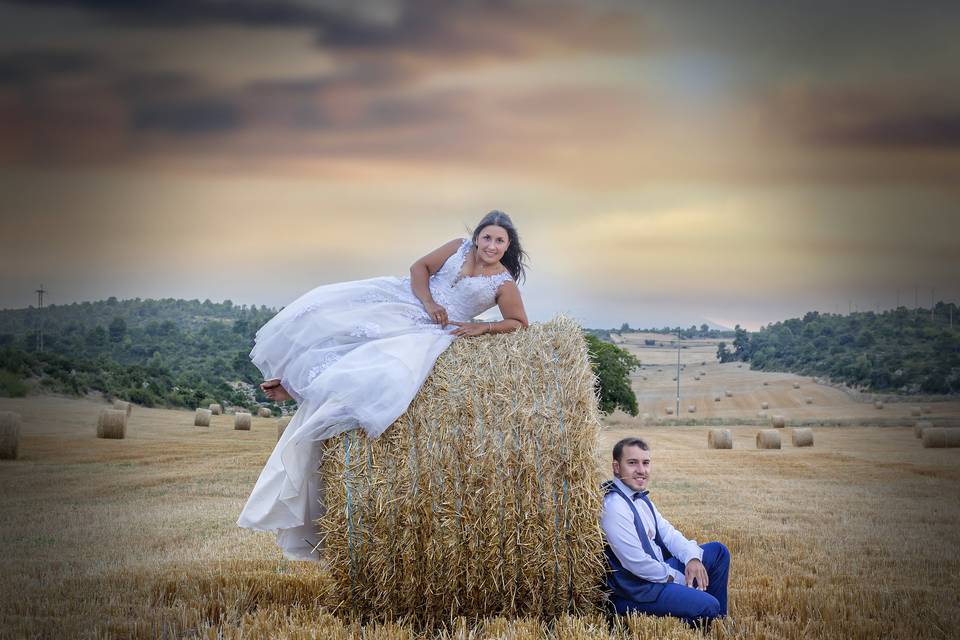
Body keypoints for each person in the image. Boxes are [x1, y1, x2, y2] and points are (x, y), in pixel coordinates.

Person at [237, 211, 529, 560]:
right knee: (334, 317)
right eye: (487, 238)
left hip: (436, 331)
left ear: (508, 246)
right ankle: (294, 383)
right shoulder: (456, 247)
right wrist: (428, 301)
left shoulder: (503, 283)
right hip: (410, 302)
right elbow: (419, 268)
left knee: (378, 366)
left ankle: (298, 389)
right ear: (477, 237)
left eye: (500, 241)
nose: (491, 245)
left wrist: (483, 328)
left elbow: (518, 322)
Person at [601, 437, 730, 628]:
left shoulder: (642, 500)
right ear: (616, 467)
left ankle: (716, 623)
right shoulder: (614, 506)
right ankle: (705, 615)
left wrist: (692, 559)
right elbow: (637, 563)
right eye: (632, 463)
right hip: (637, 590)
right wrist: (679, 579)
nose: (641, 470)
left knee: (718, 552)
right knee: (708, 606)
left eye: (645, 463)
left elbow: (670, 535)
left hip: (659, 573)